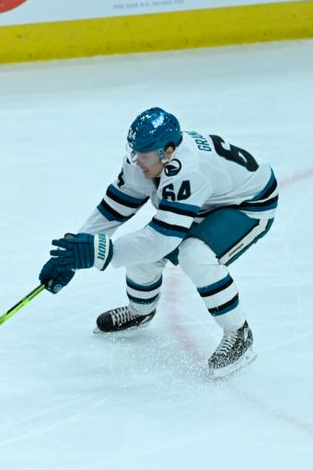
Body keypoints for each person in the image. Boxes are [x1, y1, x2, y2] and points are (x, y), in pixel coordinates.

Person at [39, 107, 277, 379]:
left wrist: (101, 253)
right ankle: (141, 311)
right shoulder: (145, 159)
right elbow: (115, 206)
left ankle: (239, 332)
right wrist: (74, 250)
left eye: (144, 155)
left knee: (194, 255)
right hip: (207, 202)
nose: (136, 161)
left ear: (168, 151)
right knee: (140, 251)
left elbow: (163, 240)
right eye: (134, 152)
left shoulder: (190, 170)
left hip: (247, 204)